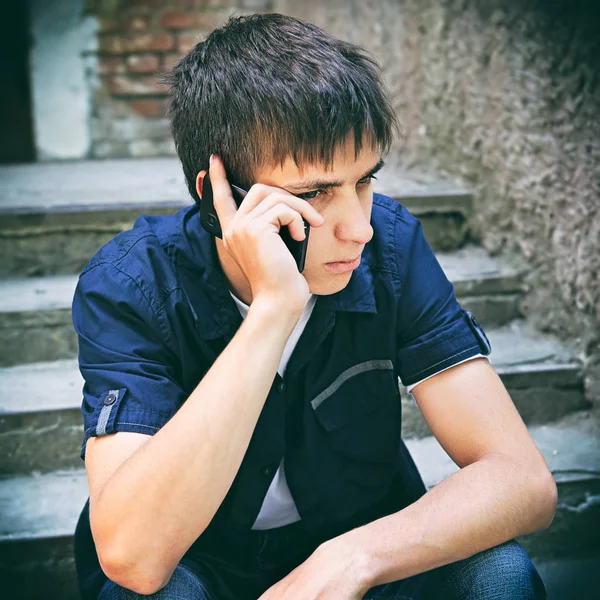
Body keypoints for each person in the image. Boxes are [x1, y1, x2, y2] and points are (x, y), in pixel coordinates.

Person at [72, 13, 555, 600]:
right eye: (315, 193)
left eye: (364, 181)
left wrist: (352, 558)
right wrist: (272, 311)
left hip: (360, 548)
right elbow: (134, 555)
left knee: (498, 575)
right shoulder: (132, 283)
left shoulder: (391, 245)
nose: (359, 229)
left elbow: (522, 480)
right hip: (203, 568)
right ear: (217, 198)